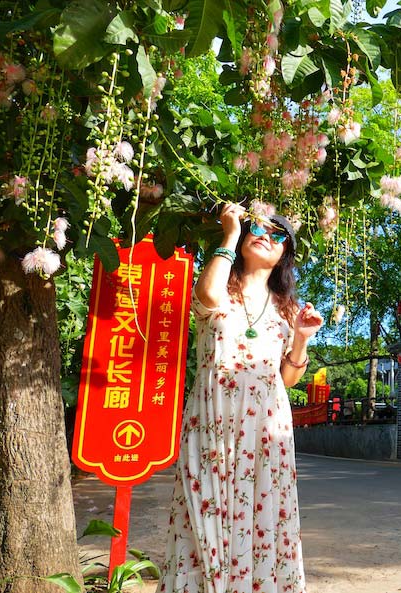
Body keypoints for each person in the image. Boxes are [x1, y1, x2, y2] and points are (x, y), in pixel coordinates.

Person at [160, 201, 323, 593]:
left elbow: (286, 379)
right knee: (203, 511)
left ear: (286, 254)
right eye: (259, 228)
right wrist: (229, 234)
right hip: (212, 416)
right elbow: (208, 296)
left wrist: (300, 339)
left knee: (264, 514)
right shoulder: (220, 285)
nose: (266, 236)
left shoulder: (287, 311)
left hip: (267, 428)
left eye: (279, 234)